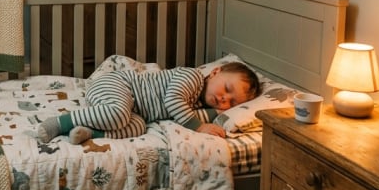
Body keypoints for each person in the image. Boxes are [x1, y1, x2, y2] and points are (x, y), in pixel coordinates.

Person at [36, 61, 261, 144]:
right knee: (118, 115)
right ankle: (59, 123)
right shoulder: (191, 77)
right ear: (215, 72)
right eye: (227, 89)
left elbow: (194, 116)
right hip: (119, 84)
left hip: (136, 109)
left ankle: (88, 133)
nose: (224, 98)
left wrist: (221, 116)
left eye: (231, 102)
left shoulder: (199, 107)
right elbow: (174, 102)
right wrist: (201, 127)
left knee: (138, 126)